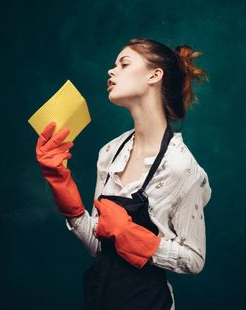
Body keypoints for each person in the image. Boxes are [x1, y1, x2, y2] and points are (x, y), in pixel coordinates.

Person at [35, 38, 212, 310]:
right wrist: (65, 194)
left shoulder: (180, 166)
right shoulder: (110, 153)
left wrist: (132, 236)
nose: (111, 70)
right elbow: (100, 247)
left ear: (155, 75)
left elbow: (194, 259)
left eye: (124, 64)